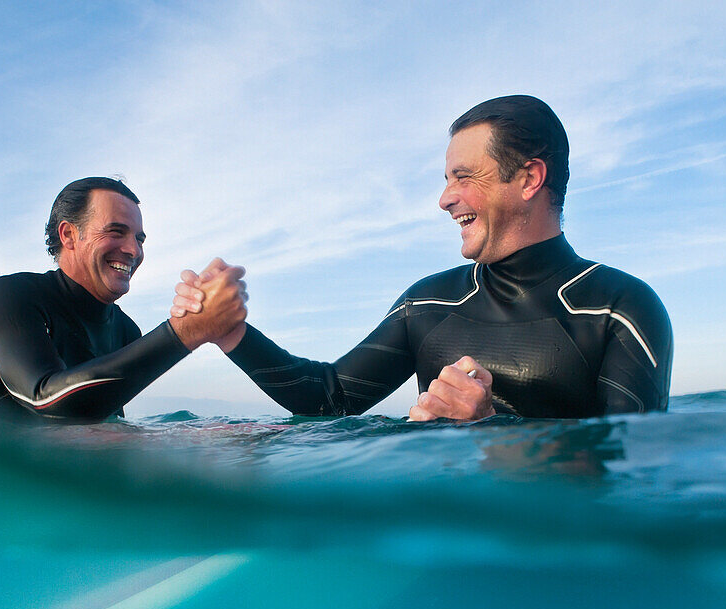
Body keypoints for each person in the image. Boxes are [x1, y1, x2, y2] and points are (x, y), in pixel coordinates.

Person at [173, 96, 672, 420]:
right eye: (446, 179)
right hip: (441, 550)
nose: (444, 198)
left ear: (528, 178)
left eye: (463, 176)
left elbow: (629, 477)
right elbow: (330, 397)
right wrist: (232, 332)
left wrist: (493, 433)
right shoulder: (427, 303)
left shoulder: (620, 309)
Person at [0, 177, 247, 422]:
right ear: (68, 235)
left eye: (140, 239)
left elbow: (103, 425)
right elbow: (46, 400)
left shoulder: (126, 331)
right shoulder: (10, 298)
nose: (133, 250)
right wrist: (187, 331)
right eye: (116, 232)